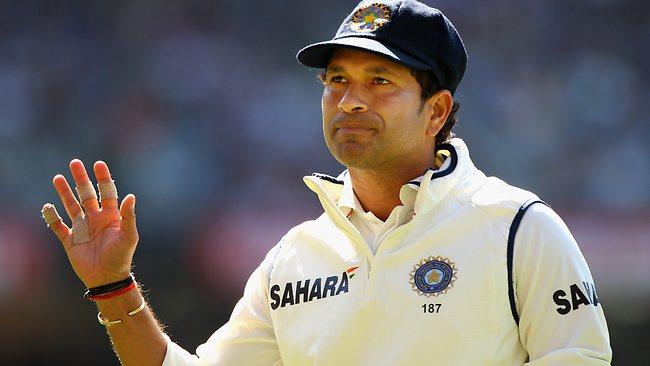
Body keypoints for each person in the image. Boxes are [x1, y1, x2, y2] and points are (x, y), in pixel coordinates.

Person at [42, 1, 612, 365]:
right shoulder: (294, 256)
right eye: (336, 79)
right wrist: (115, 288)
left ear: (436, 111)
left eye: (380, 80)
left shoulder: (519, 229)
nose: (350, 99)